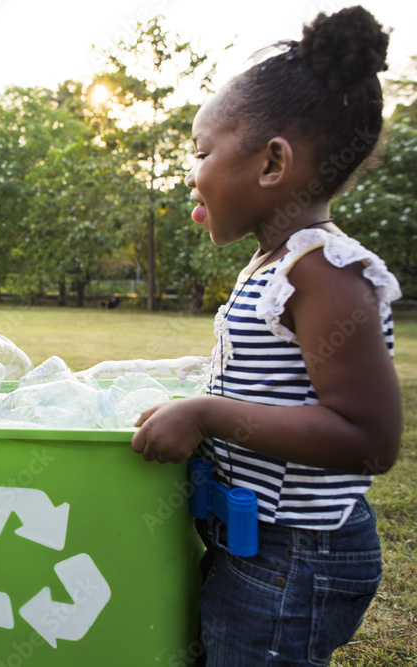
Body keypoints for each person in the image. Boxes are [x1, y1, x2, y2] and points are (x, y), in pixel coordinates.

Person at [130, 6, 402, 666]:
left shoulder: (323, 270)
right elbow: (271, 378)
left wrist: (205, 413)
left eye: (199, 153)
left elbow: (371, 437)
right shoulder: (277, 264)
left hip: (296, 556)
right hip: (255, 544)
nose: (191, 174)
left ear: (273, 162)